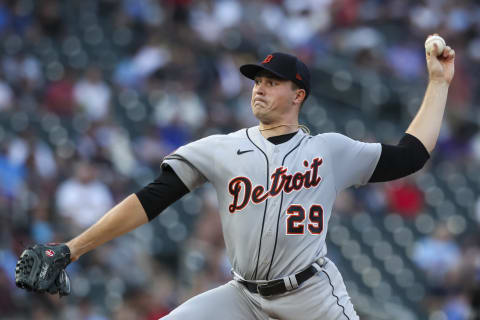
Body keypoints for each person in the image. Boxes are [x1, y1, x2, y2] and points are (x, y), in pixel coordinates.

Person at [15, 35, 455, 319]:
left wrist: (437, 84)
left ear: (298, 94)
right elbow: (151, 199)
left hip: (312, 298)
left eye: (272, 81)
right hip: (242, 297)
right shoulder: (221, 148)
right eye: (256, 80)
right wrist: (71, 249)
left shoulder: (330, 150)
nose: (259, 87)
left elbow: (410, 156)